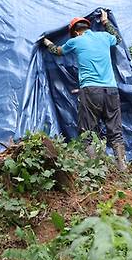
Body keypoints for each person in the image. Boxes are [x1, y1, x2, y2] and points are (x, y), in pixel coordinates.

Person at [43, 10, 127, 171]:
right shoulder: (104, 37)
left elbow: (57, 51)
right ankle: (123, 167)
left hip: (90, 90)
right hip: (111, 90)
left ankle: (94, 169)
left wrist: (46, 41)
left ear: (75, 32)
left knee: (87, 132)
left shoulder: (77, 41)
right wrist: (105, 21)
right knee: (115, 130)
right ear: (87, 27)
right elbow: (118, 39)